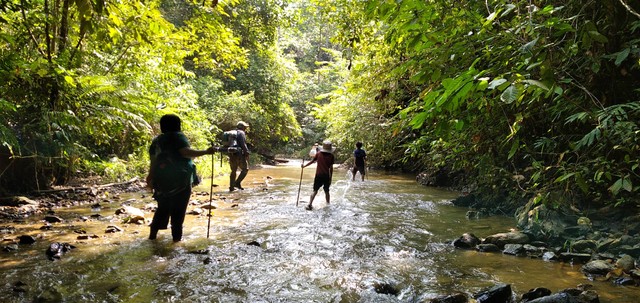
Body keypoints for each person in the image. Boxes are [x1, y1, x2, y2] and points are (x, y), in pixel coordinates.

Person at [146, 114, 216, 242]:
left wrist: (150, 177)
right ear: (177, 125)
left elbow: (154, 160)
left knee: (162, 208)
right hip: (180, 181)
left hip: (161, 181)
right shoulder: (177, 137)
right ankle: (176, 243)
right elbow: (186, 152)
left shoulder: (156, 140)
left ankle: (152, 238)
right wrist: (206, 152)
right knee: (178, 213)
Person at [301, 140, 335, 210]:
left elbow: (312, 161)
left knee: (315, 190)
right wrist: (330, 178)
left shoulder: (319, 154)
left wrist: (304, 166)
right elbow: (331, 168)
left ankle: (310, 204)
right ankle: (328, 205)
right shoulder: (331, 156)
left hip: (318, 175)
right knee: (327, 191)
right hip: (326, 176)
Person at [228, 121, 250, 191]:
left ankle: (231, 187)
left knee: (233, 170)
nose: (245, 129)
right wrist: (246, 152)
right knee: (245, 169)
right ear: (242, 127)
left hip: (231, 154)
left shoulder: (231, 133)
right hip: (239, 154)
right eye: (245, 127)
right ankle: (237, 183)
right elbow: (243, 144)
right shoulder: (241, 133)